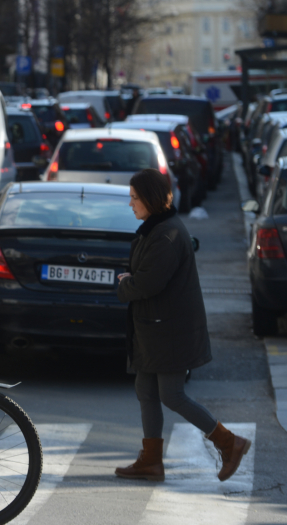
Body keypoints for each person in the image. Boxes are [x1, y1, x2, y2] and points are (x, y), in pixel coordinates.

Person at [115, 168, 252, 483]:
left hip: (170, 331)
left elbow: (149, 282)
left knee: (172, 395)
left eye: (135, 198)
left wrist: (126, 284)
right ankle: (150, 461)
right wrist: (132, 278)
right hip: (157, 328)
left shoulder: (166, 234)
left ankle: (229, 443)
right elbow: (144, 273)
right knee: (145, 389)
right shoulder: (155, 228)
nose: (131, 204)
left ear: (150, 198)